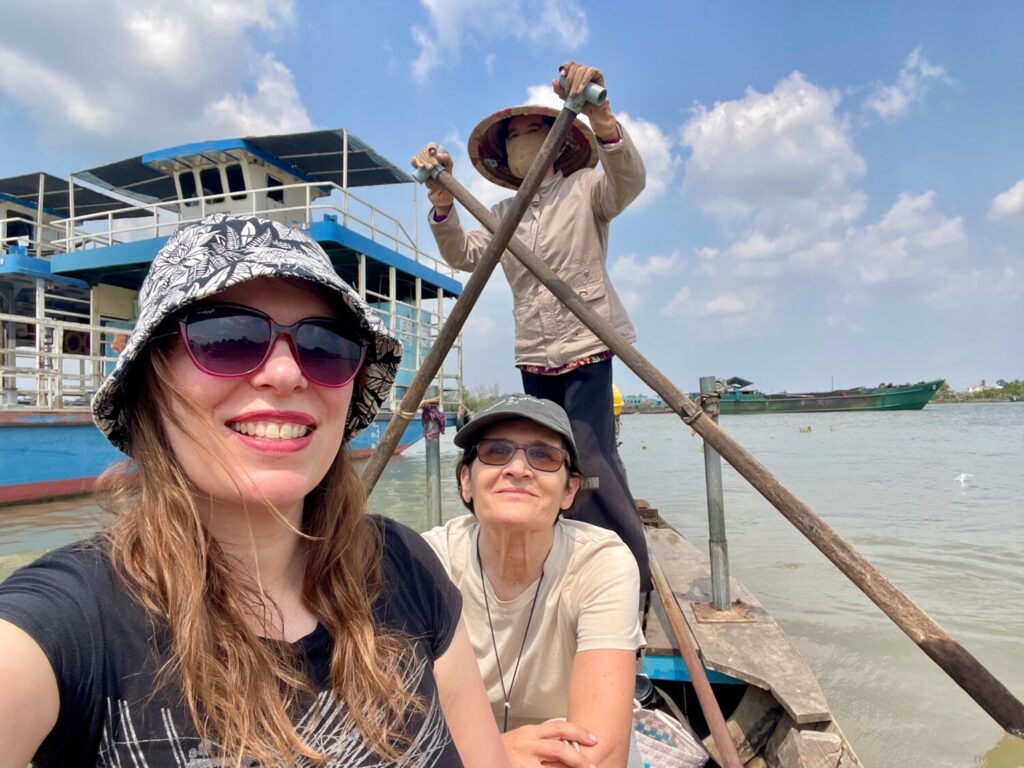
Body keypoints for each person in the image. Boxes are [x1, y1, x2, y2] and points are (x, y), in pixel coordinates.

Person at [0, 214, 509, 768]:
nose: (288, 373)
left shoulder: (407, 567)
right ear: (150, 381)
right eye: (225, 338)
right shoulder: (70, 626)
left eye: (325, 345)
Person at [412, 61, 652, 592]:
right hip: (535, 349)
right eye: (514, 137)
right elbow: (462, 254)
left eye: (530, 132)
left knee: (591, 457)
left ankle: (631, 577)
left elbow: (629, 181)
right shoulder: (503, 211)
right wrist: (443, 203)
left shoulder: (586, 189)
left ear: (554, 139)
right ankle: (560, 556)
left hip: (588, 338)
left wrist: (602, 117)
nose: (522, 142)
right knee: (549, 452)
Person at [422, 394, 644, 768]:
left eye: (543, 457)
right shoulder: (429, 562)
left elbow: (598, 755)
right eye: (496, 452)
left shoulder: (600, 563)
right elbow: (393, 728)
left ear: (569, 490)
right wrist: (495, 753)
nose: (519, 469)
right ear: (466, 481)